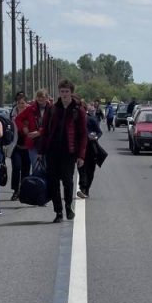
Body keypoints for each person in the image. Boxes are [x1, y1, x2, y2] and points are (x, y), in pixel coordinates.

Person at [39, 79, 87, 223]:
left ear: (71, 93)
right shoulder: (53, 109)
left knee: (67, 181)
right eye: (62, 91)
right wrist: (41, 152)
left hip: (69, 151)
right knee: (53, 182)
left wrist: (81, 155)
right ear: (59, 92)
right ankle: (58, 212)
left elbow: (83, 135)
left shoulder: (78, 110)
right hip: (52, 151)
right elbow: (45, 132)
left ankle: (68, 206)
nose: (64, 94)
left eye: (67, 92)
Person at [15, 89, 50, 171]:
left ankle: (46, 184)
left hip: (47, 143)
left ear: (47, 98)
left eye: (43, 97)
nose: (40, 99)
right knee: (36, 168)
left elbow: (53, 126)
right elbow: (18, 119)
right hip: (33, 143)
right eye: (38, 97)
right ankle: (36, 183)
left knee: (47, 169)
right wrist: (23, 127)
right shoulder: (31, 109)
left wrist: (39, 132)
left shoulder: (52, 109)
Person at [77, 103, 103, 199]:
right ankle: (83, 188)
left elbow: (99, 132)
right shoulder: (76, 121)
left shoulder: (91, 119)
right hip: (80, 149)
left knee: (90, 171)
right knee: (81, 168)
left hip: (91, 148)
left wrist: (95, 137)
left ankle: (86, 189)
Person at [10, 91, 30, 200]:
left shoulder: (31, 113)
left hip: (28, 145)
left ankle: (24, 190)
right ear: (16, 103)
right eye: (19, 103)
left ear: (26, 103)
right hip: (15, 145)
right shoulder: (12, 114)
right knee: (16, 167)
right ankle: (15, 190)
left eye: (23, 103)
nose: (21, 105)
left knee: (26, 169)